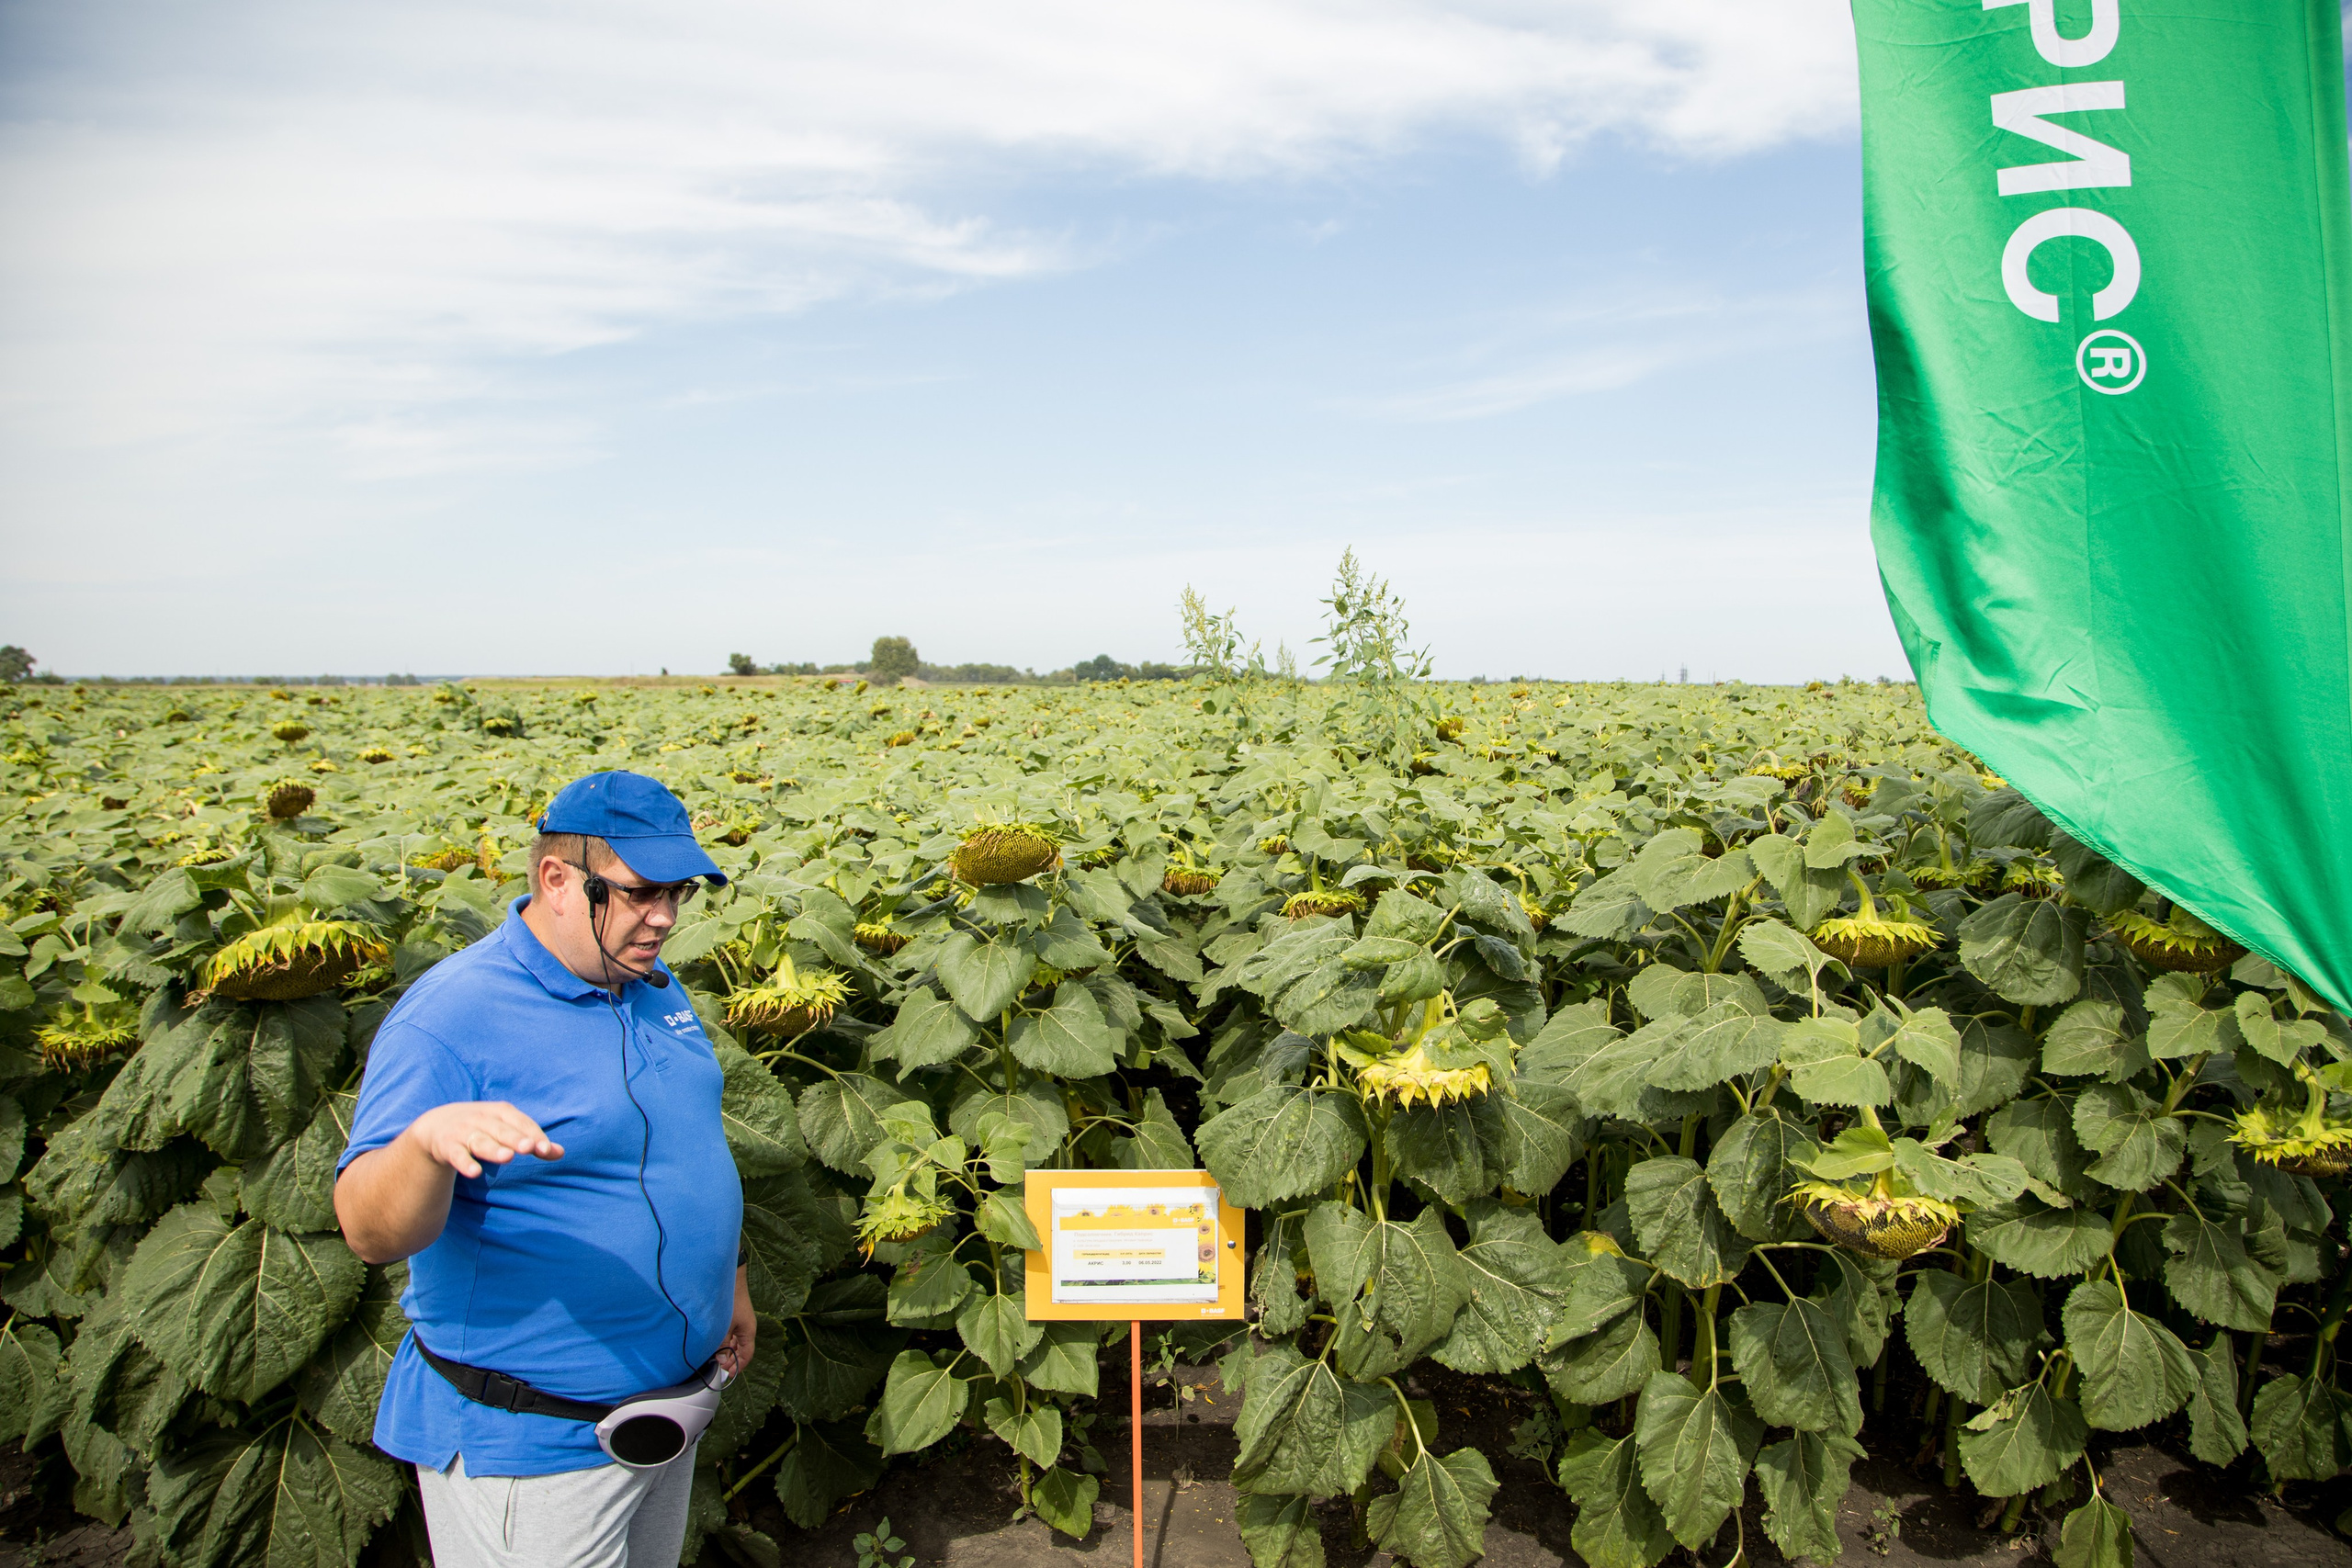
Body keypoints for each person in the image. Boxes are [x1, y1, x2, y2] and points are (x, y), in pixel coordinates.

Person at [335, 770, 752, 1568]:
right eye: (639, 892)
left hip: (667, 1410)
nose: (664, 917)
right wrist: (424, 1143)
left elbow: (688, 1144)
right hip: (536, 1444)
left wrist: (729, 1281)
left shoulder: (651, 985)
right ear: (558, 879)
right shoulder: (451, 1015)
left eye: (678, 892)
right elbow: (366, 1229)